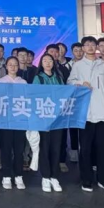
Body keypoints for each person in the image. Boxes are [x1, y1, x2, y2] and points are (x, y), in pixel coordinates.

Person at [69, 37, 104, 194]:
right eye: (87, 45)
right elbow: (69, 83)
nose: (90, 47)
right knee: (85, 149)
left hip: (103, 115)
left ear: (96, 47)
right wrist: (79, 84)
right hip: (85, 115)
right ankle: (86, 179)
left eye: (92, 44)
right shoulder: (77, 66)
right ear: (83, 48)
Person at [32, 53, 64, 193]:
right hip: (43, 118)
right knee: (44, 147)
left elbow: (64, 96)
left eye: (50, 60)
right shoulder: (38, 78)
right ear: (41, 63)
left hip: (57, 119)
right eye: (44, 60)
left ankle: (54, 176)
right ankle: (45, 177)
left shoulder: (59, 78)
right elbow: (35, 97)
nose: (47, 62)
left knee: (56, 148)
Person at [0, 57, 27, 190]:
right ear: (6, 66)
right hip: (5, 121)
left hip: (19, 120)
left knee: (19, 149)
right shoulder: (0, 82)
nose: (13, 67)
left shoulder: (23, 82)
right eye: (10, 65)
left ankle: (19, 175)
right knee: (6, 149)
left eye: (15, 64)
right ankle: (6, 176)